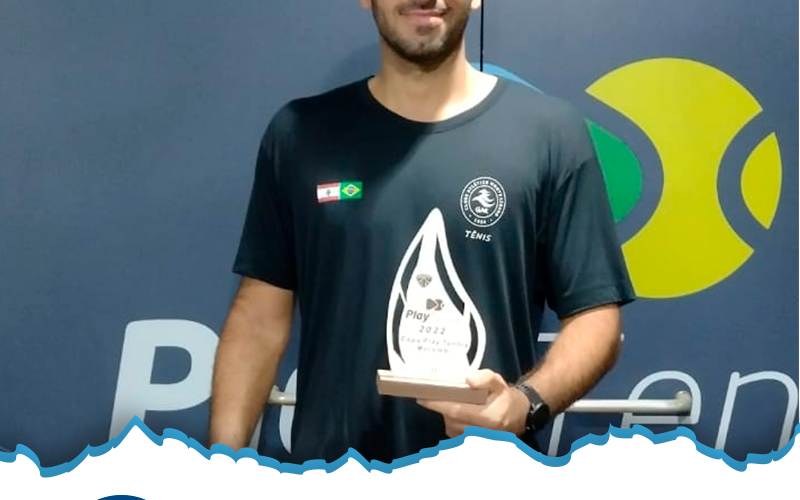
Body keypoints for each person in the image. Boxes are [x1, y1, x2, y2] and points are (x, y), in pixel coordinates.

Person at [209, 0, 635, 463]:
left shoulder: (550, 134)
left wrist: (523, 404)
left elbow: (595, 318)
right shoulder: (299, 133)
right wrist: (221, 467)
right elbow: (258, 320)